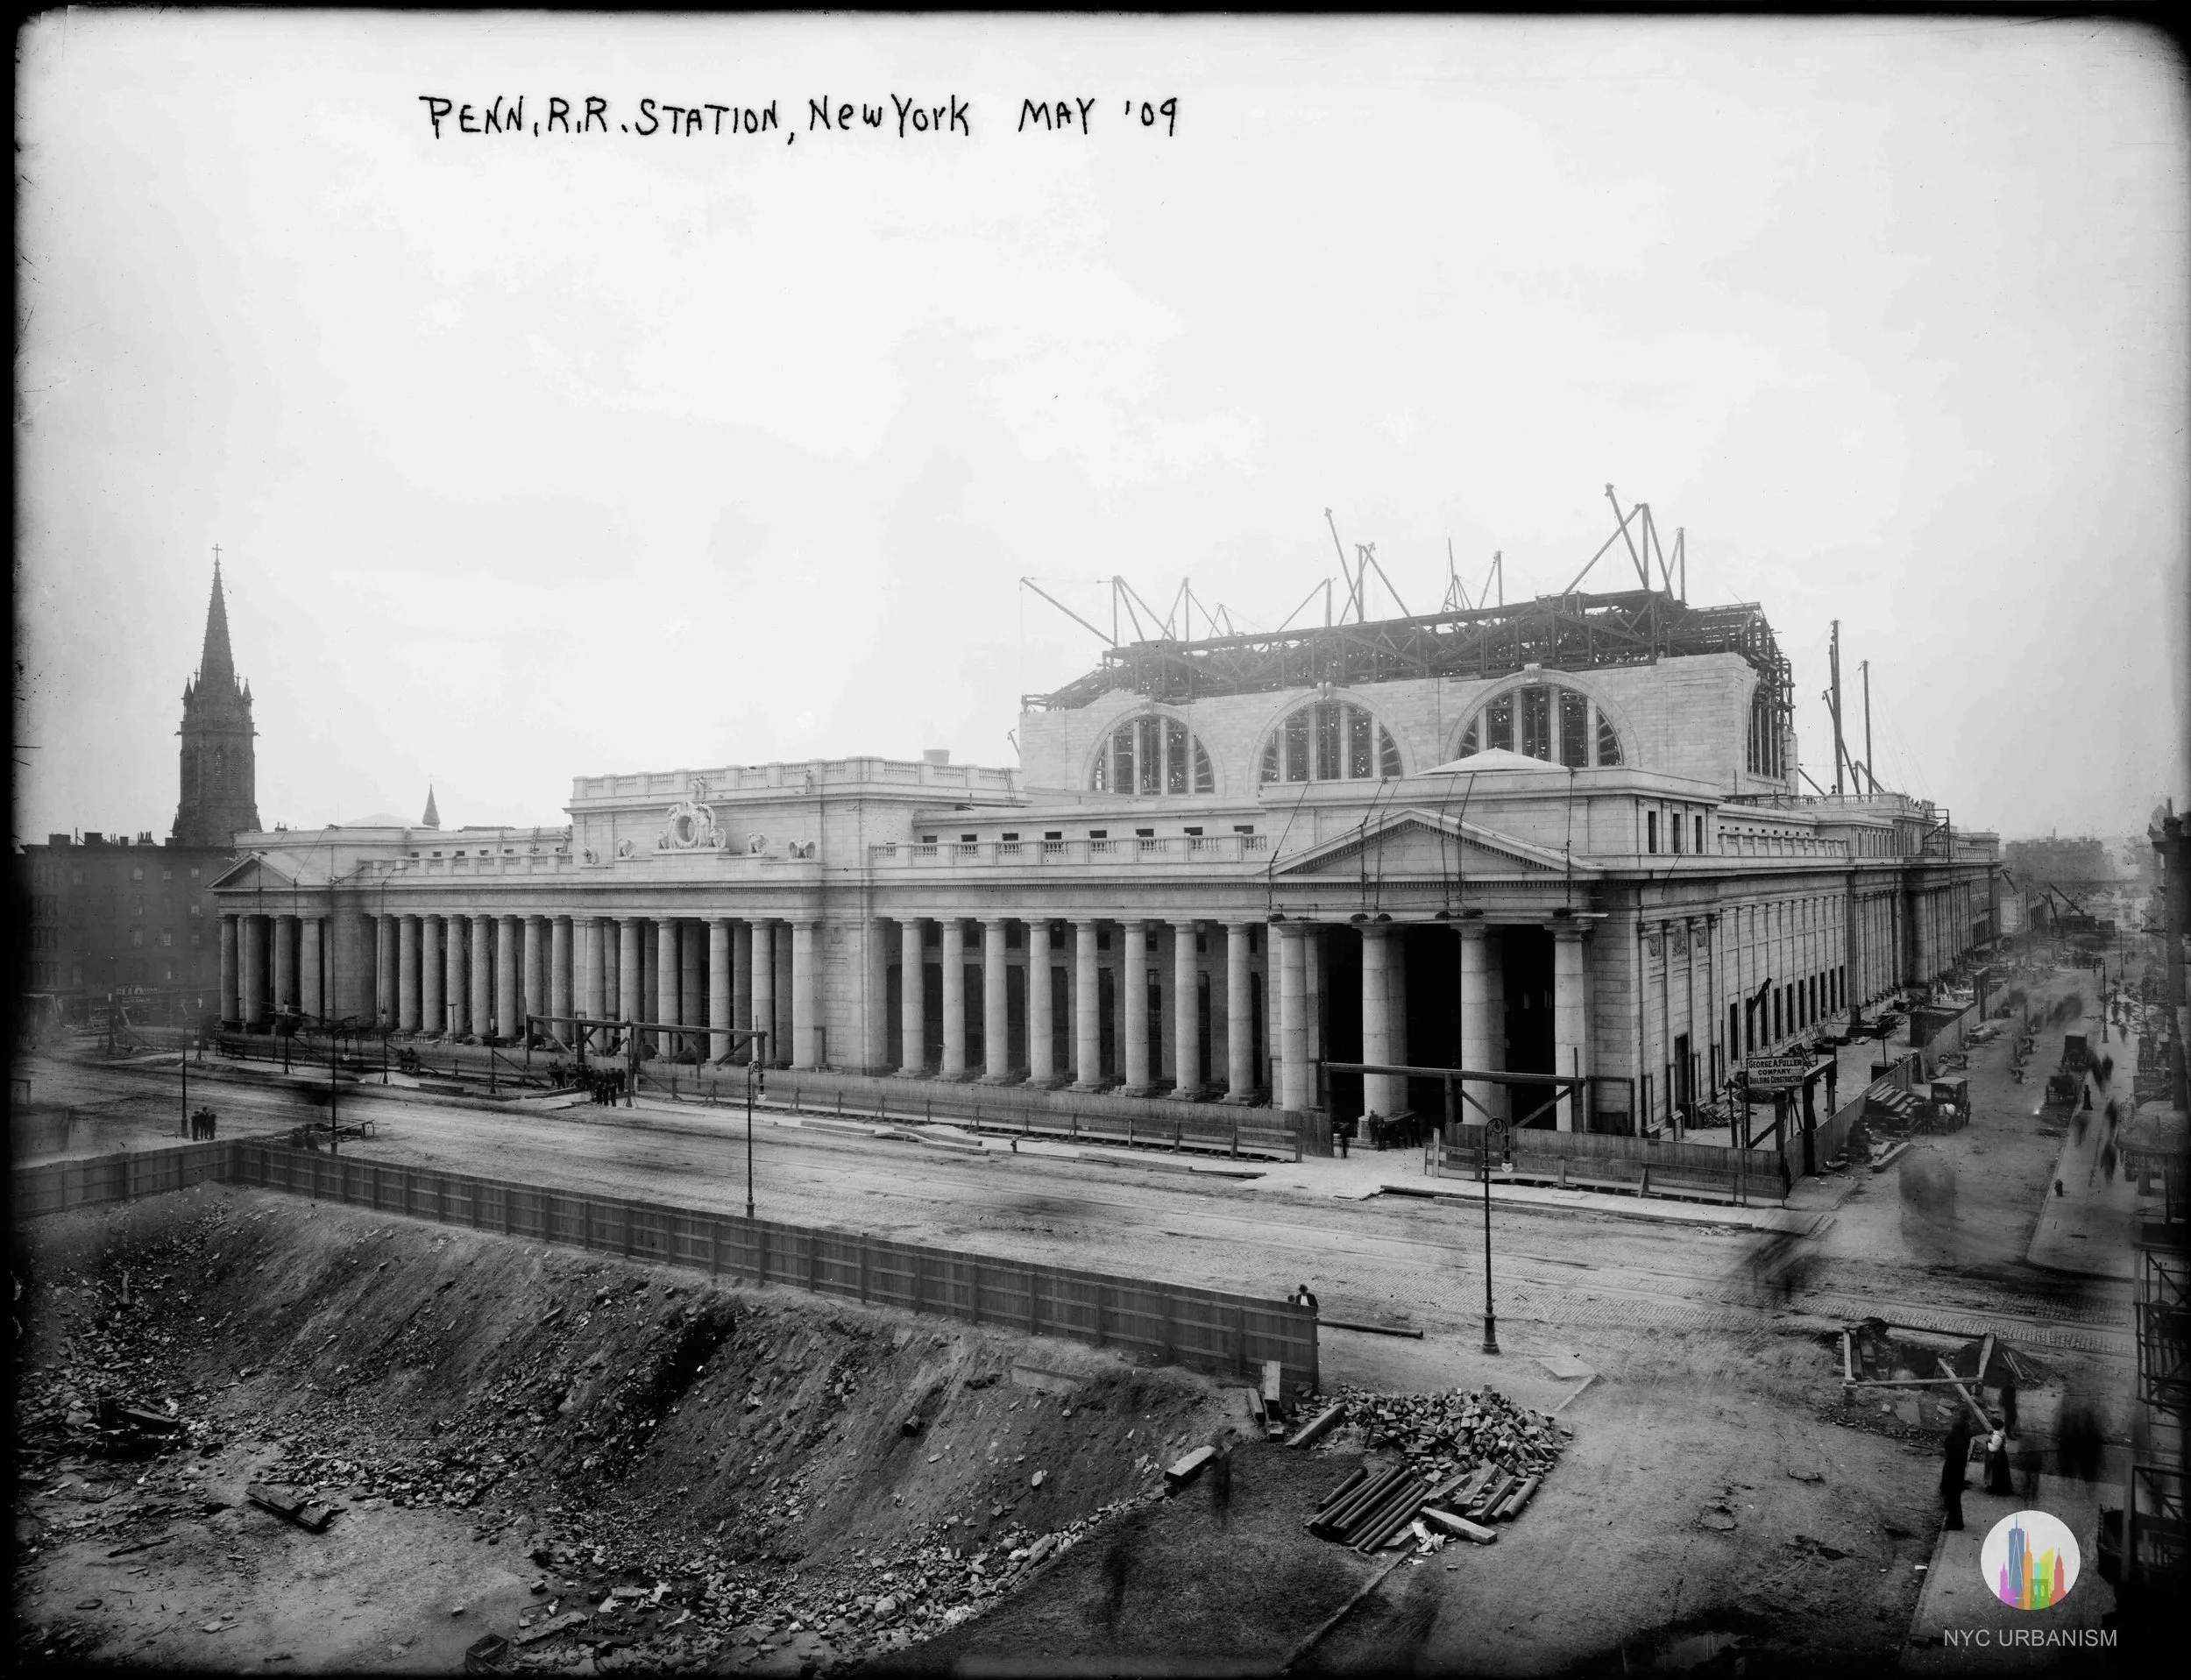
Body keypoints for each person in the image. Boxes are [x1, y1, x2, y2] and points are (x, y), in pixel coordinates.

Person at [1940, 1414, 1972, 1531]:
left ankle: (1954, 1523)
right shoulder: (1964, 1440)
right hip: (1958, 1475)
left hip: (1951, 1473)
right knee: (1955, 1500)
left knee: (1951, 1500)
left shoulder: (1952, 1440)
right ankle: (1953, 1521)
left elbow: (1946, 1446)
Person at [1984, 1428, 2014, 1496]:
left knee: (1993, 1471)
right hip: (2002, 1454)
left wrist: (1988, 1442)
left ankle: (1994, 1488)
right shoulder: (2003, 1434)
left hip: (1995, 1455)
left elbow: (1993, 1449)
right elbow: (2006, 1444)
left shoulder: (1995, 1436)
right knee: (2003, 1471)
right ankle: (2003, 1487)